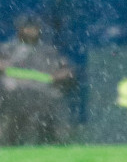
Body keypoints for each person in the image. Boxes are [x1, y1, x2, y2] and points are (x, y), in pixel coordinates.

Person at [0, 15, 75, 145]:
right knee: (11, 133)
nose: (31, 31)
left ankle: (49, 144)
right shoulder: (7, 49)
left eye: (34, 28)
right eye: (27, 28)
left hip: (42, 97)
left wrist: (61, 74)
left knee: (47, 129)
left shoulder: (48, 51)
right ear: (20, 29)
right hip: (12, 97)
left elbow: (66, 70)